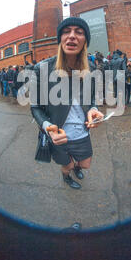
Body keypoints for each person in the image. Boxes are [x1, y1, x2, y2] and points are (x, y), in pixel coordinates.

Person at [31, 17, 104, 190]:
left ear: (85, 41)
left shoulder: (92, 70)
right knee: (67, 166)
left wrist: (93, 109)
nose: (72, 36)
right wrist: (49, 127)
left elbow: (92, 98)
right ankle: (66, 177)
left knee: (84, 164)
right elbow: (35, 107)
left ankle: (76, 168)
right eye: (66, 31)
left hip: (82, 133)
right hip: (58, 135)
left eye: (79, 32)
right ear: (60, 39)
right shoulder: (42, 69)